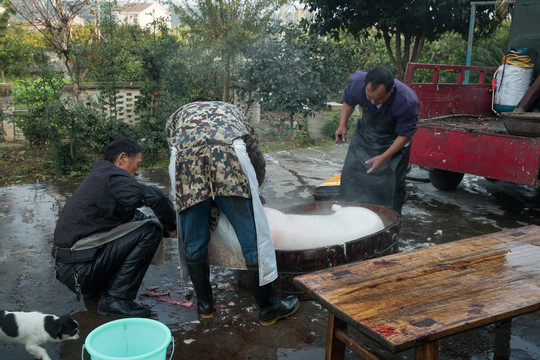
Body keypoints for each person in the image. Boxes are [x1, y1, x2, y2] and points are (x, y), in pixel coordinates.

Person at [166, 99, 299, 325]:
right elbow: (254, 154)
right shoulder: (233, 112)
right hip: (227, 156)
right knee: (253, 236)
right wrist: (255, 186)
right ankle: (269, 308)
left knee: (194, 237)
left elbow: (173, 142)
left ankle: (205, 307)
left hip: (185, 160)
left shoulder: (178, 114)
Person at [52, 137, 177, 318]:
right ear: (122, 158)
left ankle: (99, 290)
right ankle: (116, 300)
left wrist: (170, 232)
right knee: (150, 230)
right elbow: (155, 196)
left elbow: (137, 219)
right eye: (137, 164)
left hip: (72, 270)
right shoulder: (112, 176)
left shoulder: (102, 177)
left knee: (149, 226)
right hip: (80, 271)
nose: (138, 171)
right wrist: (172, 227)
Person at [335, 66, 419, 213]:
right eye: (369, 97)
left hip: (393, 142)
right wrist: (342, 125)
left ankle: (388, 220)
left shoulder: (407, 100)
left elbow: (405, 135)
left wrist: (384, 156)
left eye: (379, 98)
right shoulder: (357, 82)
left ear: (391, 90)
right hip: (364, 135)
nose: (373, 102)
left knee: (390, 185)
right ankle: (347, 213)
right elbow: (349, 102)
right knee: (352, 174)